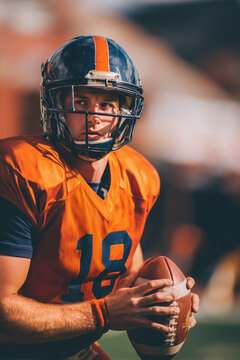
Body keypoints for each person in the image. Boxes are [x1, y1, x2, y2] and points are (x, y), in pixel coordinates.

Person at [0, 35, 199, 360]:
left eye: (106, 103)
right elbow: (2, 310)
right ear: (55, 103)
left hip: (74, 347)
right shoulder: (22, 170)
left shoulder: (138, 176)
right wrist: (102, 315)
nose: (95, 116)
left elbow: (126, 281)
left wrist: (164, 295)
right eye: (80, 102)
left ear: (125, 109)